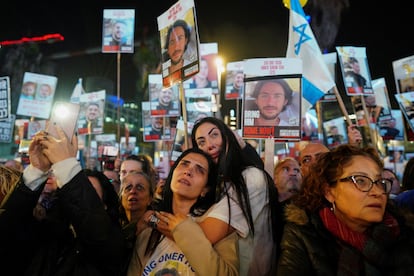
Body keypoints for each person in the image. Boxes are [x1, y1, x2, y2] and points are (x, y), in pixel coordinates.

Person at [0, 125, 124, 275]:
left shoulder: (112, 240)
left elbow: (95, 229)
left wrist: (66, 165)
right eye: (69, 186)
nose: (76, 195)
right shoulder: (47, 232)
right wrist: (37, 170)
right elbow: (9, 227)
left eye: (90, 193)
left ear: (104, 205)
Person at [276, 144, 414, 275]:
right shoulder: (303, 235)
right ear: (329, 192)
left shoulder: (404, 230)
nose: (376, 192)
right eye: (360, 180)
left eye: (379, 182)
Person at [190, 117, 281, 276]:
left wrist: (155, 221)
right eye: (201, 142)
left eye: (214, 135)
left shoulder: (252, 178)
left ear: (228, 137)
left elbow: (207, 234)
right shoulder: (213, 185)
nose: (210, 145)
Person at [127, 148, 239, 275]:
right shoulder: (149, 231)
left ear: (205, 190)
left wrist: (184, 229)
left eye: (200, 170)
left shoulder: (218, 228)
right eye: (184, 164)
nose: (188, 171)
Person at [119, 172, 153, 274]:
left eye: (139, 188)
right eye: (128, 188)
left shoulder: (156, 226)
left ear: (150, 199)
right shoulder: (111, 228)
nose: (133, 191)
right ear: (121, 197)